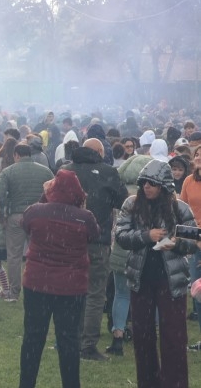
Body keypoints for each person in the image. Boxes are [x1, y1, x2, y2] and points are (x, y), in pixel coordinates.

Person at [115, 159, 197, 388]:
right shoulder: (131, 204)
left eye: (152, 183)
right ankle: (148, 383)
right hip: (140, 279)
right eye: (143, 183)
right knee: (143, 337)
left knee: (174, 337)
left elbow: (193, 241)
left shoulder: (179, 207)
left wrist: (176, 244)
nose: (146, 187)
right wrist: (146, 236)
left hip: (171, 280)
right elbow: (121, 235)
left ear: (164, 185)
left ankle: (175, 384)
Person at [18, 170, 99, 388]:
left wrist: (45, 199)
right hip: (71, 286)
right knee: (69, 340)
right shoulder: (85, 217)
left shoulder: (36, 211)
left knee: (33, 337)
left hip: (37, 283)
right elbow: (95, 236)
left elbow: (26, 224)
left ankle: (26, 384)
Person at [59, 138, 127, 361]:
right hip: (97, 240)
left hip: (68, 241)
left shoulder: (65, 170)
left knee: (70, 291)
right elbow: (122, 202)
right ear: (99, 152)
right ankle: (88, 346)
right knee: (95, 293)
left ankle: (68, 340)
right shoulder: (109, 172)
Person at [0, 144, 54, 301]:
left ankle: (14, 292)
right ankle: (41, 288)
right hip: (39, 216)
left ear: (16, 155)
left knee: (14, 256)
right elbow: (53, 192)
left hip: (16, 216)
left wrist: (7, 209)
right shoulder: (46, 171)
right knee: (39, 254)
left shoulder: (8, 172)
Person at [181, 146, 201, 349]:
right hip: (195, 238)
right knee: (197, 289)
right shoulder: (188, 181)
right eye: (197, 154)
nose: (199, 157)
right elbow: (182, 213)